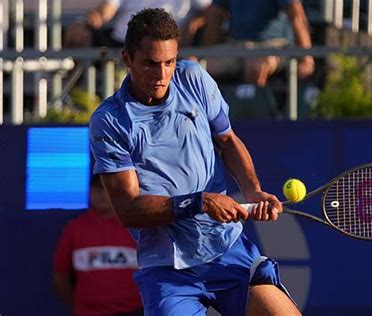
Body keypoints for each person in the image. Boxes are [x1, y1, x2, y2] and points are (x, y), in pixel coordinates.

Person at [89, 7, 301, 316]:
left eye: (169, 62)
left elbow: (227, 140)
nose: (162, 75)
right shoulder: (110, 120)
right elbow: (127, 209)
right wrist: (199, 203)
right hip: (167, 269)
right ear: (127, 59)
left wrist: (252, 191)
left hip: (227, 250)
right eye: (149, 63)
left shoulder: (194, 78)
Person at [52, 175, 143, 316]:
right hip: (88, 312)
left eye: (106, 189)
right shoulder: (75, 228)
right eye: (97, 190)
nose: (102, 195)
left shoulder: (135, 227)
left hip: (134, 310)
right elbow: (60, 274)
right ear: (89, 192)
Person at [202, 0, 315, 87]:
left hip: (274, 44)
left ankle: (254, 112)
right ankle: (208, 114)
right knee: (200, 69)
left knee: (256, 67)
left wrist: (306, 59)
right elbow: (215, 14)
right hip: (237, 45)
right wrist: (208, 52)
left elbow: (297, 15)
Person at [64, 0, 211, 48]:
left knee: (191, 66)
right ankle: (62, 99)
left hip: (167, 48)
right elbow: (104, 12)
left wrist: (195, 22)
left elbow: (211, 11)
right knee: (77, 36)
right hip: (123, 44)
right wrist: (81, 23)